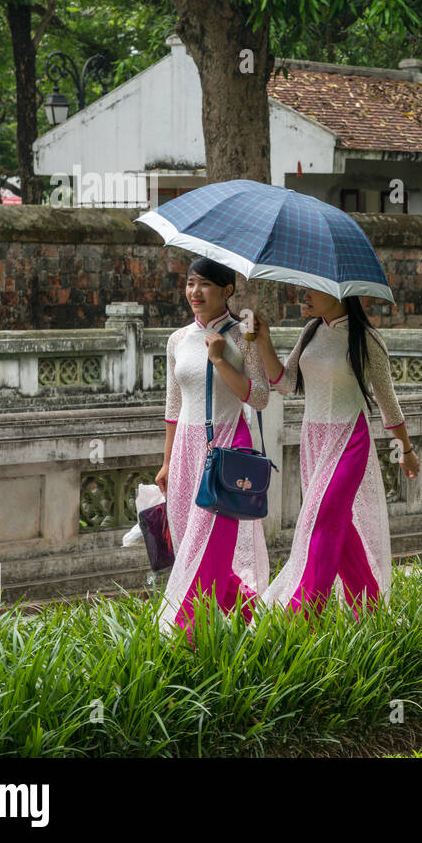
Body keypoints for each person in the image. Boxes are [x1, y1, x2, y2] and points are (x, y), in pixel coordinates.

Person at [252, 289, 418, 616]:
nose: (304, 296)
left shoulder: (366, 338)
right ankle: (369, 607)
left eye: (312, 291)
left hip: (349, 440)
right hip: (313, 440)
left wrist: (406, 450)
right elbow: (285, 383)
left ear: (338, 293)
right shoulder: (311, 331)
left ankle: (304, 612)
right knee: (338, 523)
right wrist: (263, 342)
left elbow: (388, 404)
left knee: (323, 519)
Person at [155, 258, 271, 635]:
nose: (194, 292)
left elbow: (259, 397)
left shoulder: (243, 336)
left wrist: (220, 360)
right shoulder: (177, 339)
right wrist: (167, 462)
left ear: (227, 290)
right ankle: (256, 617)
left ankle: (184, 635)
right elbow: (173, 407)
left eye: (204, 284)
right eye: (190, 283)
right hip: (186, 450)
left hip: (227, 449)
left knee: (209, 546)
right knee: (193, 542)